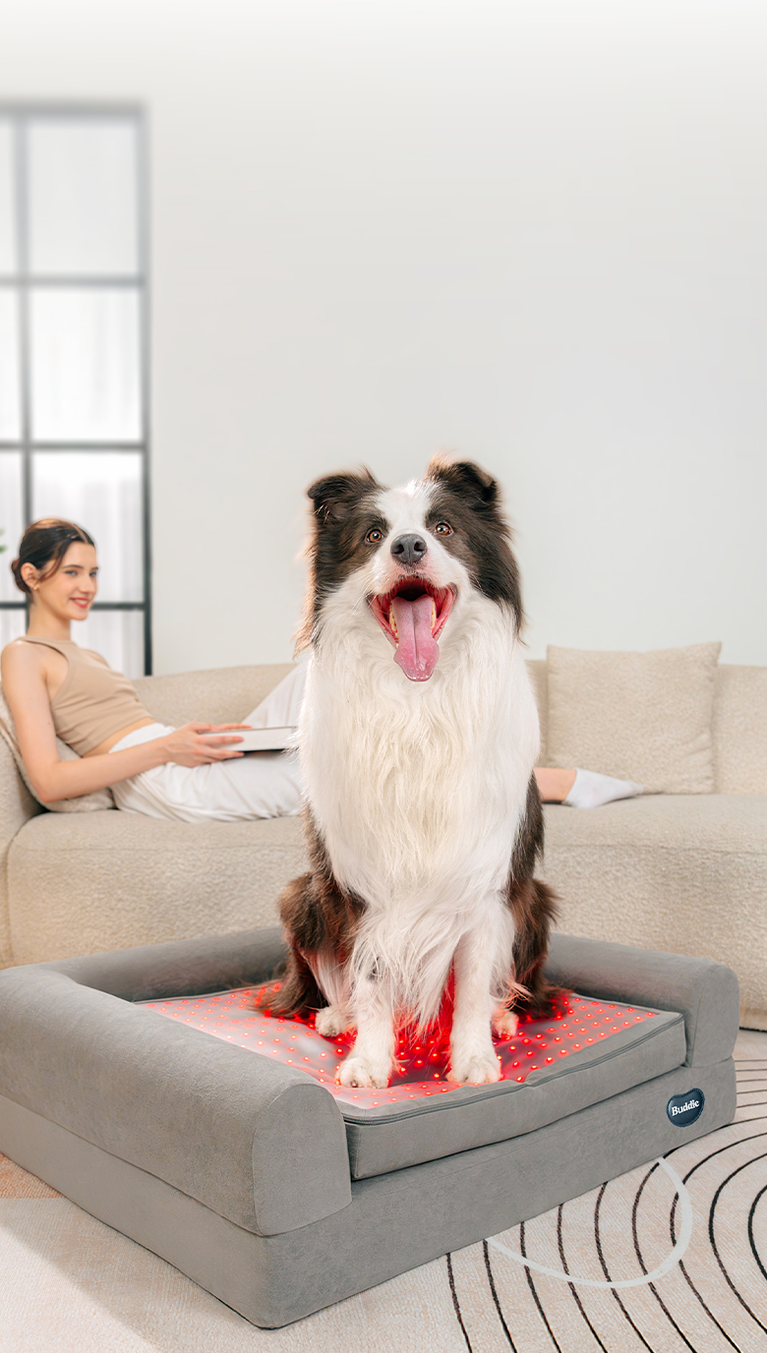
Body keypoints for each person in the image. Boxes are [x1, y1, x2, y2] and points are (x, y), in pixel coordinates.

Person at [0, 519, 642, 819]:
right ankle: (540, 782)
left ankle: (453, 738)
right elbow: (51, 781)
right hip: (161, 781)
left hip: (173, 754)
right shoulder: (23, 657)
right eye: (72, 572)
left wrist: (208, 741)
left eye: (93, 572)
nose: (87, 586)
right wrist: (167, 748)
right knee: (335, 773)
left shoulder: (88, 656)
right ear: (32, 575)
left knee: (326, 656)